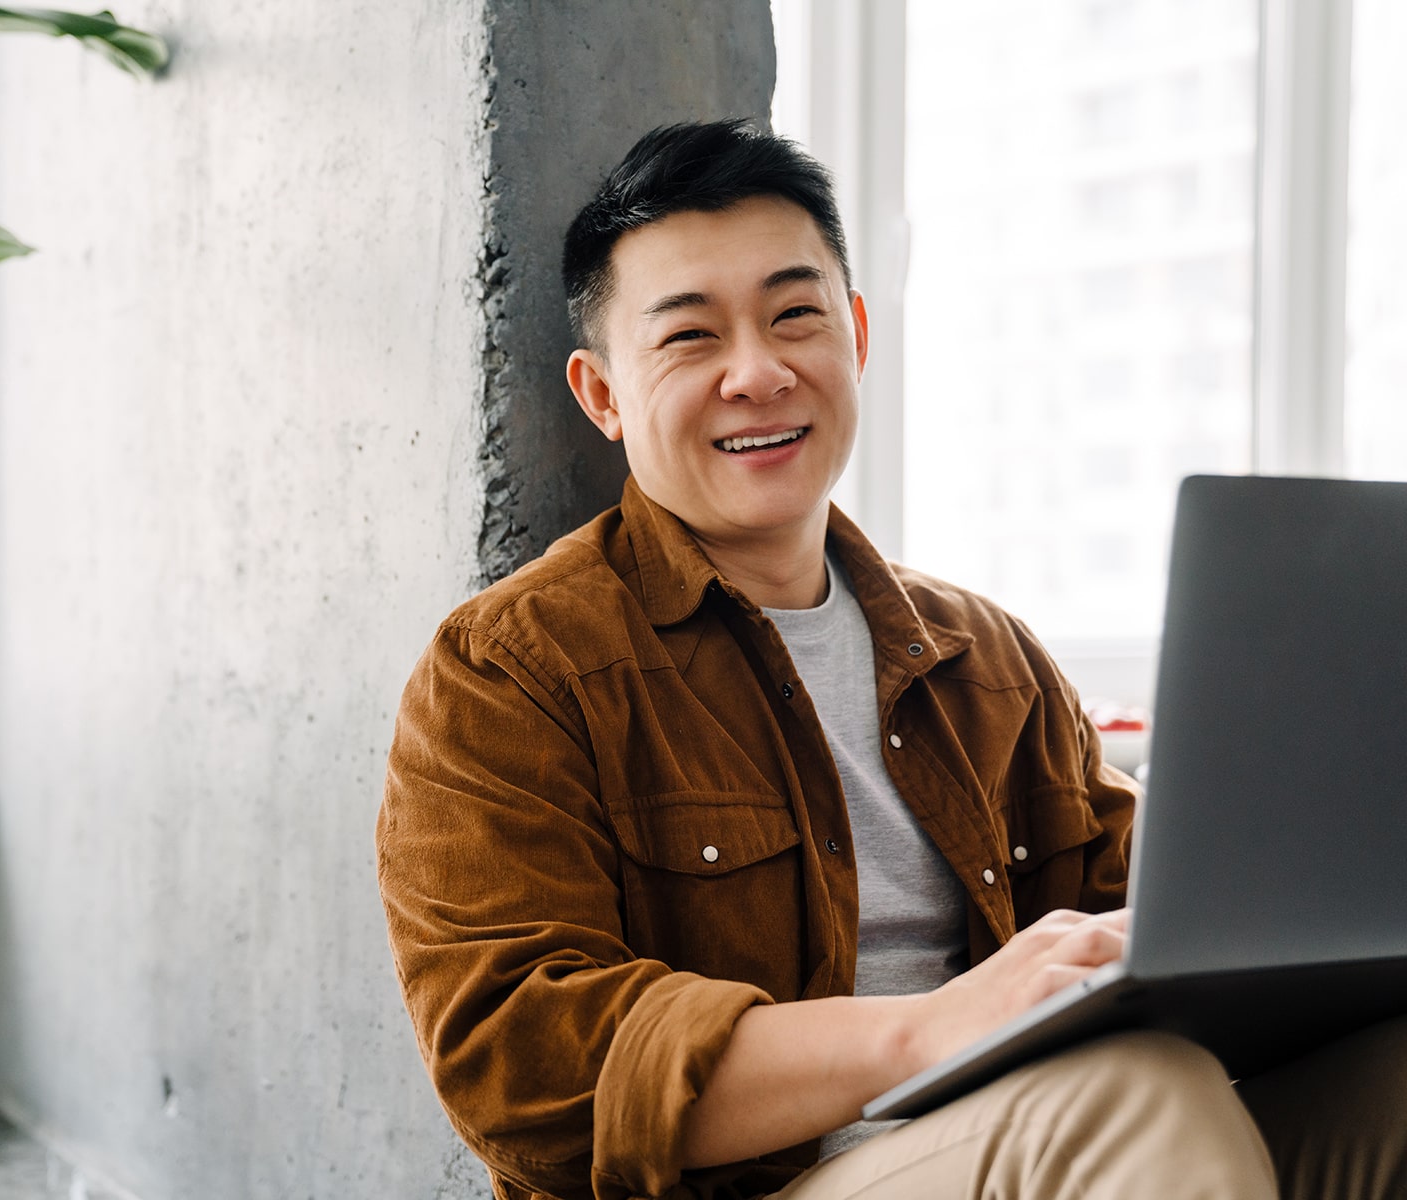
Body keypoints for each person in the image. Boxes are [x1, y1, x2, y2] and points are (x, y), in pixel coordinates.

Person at [377, 120, 1407, 1200]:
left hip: (1024, 1139)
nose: (759, 371)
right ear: (602, 396)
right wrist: (921, 1032)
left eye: (795, 316)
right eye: (690, 339)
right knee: (1132, 1094)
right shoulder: (509, 672)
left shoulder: (985, 658)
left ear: (856, 335)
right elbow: (522, 1070)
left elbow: (1151, 917)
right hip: (776, 1182)